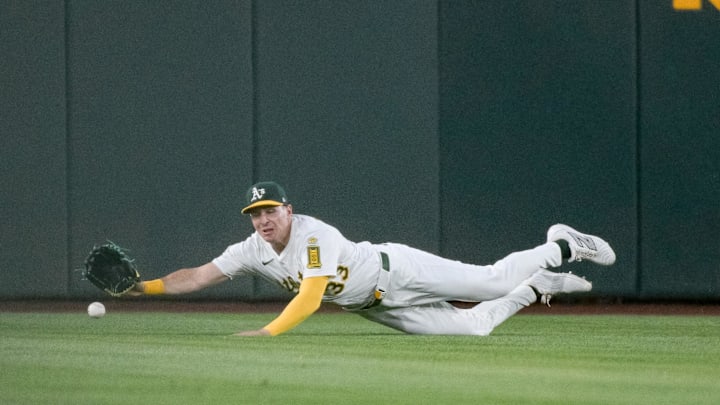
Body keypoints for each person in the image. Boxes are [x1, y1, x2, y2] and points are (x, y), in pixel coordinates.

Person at [135, 181, 616, 336]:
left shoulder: (313, 235)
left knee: (490, 282)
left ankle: (563, 244)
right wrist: (142, 287)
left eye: (270, 211)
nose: (263, 220)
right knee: (474, 329)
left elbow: (309, 298)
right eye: (255, 213)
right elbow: (198, 276)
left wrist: (267, 332)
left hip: (397, 269)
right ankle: (537, 286)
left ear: (288, 210)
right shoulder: (250, 249)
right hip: (377, 306)